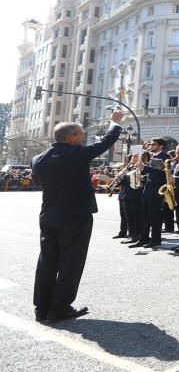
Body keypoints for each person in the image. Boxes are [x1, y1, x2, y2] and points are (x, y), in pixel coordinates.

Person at [32, 109, 124, 323]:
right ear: (71, 138)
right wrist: (115, 123)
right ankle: (60, 308)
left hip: (48, 215)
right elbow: (106, 142)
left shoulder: (37, 159)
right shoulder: (76, 153)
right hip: (75, 216)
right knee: (71, 262)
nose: (83, 136)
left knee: (47, 262)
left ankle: (42, 308)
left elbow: (39, 183)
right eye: (81, 133)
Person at [133, 138, 167, 248]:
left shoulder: (164, 156)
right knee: (144, 216)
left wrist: (145, 167)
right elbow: (152, 173)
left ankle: (156, 240)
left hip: (156, 190)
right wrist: (142, 173)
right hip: (147, 190)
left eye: (153, 144)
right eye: (150, 144)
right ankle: (143, 239)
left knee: (154, 217)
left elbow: (162, 173)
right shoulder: (154, 157)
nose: (150, 146)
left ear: (161, 146)